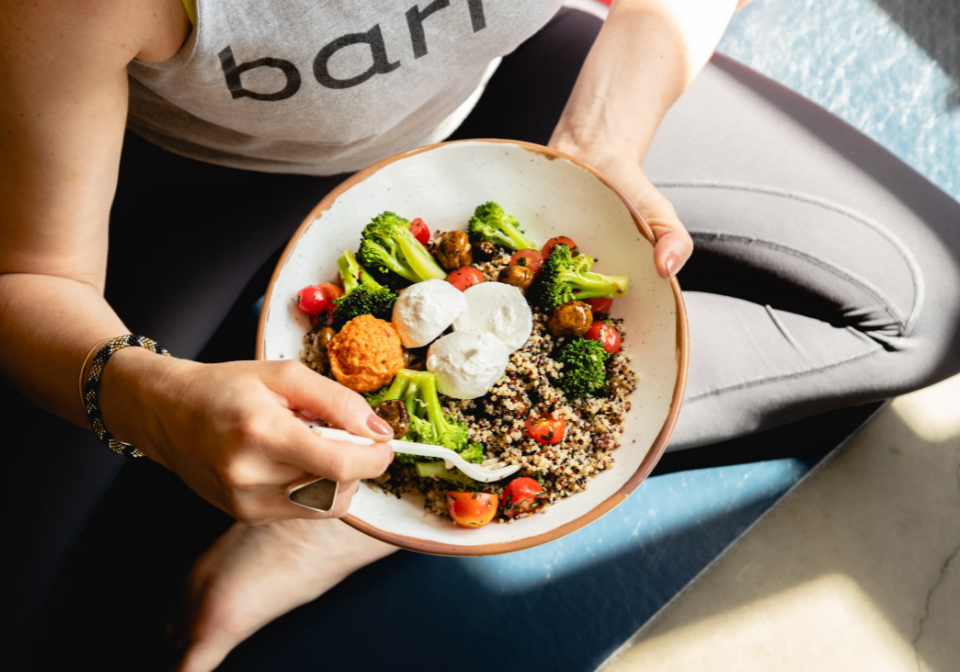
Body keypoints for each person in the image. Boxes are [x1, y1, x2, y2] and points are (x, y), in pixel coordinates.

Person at [3, 0, 960, 670]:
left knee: (918, 305)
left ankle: (348, 530)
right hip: (202, 181)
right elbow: (31, 279)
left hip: (504, 100)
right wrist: (159, 403)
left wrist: (601, 142)